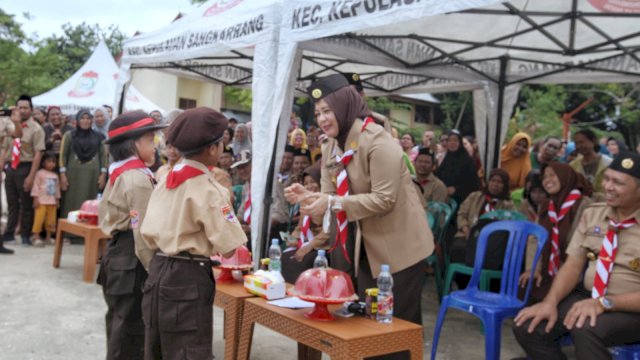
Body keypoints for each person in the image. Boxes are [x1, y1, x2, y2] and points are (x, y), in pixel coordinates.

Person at [286, 74, 434, 344]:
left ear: (345, 106)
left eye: (327, 111)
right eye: (318, 113)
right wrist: (309, 199)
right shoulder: (330, 145)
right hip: (363, 248)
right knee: (366, 327)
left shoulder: (378, 141)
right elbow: (330, 200)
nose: (322, 119)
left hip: (400, 250)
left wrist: (331, 202)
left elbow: (383, 199)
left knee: (395, 331)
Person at [140, 107, 246, 359]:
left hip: (158, 270)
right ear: (212, 148)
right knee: (189, 351)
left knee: (157, 349)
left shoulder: (165, 178)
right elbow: (230, 245)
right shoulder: (209, 188)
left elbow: (146, 233)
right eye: (222, 143)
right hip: (188, 276)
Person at [513, 152, 640, 360]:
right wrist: (550, 302)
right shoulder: (593, 214)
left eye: (618, 183)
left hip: (631, 309)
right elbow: (573, 264)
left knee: (586, 327)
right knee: (528, 325)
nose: (608, 186)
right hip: (588, 296)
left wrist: (605, 303)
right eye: (607, 179)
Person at [97, 110, 166, 360]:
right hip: (132, 258)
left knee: (120, 325)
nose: (155, 144)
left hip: (120, 256)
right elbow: (143, 233)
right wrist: (156, 272)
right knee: (130, 332)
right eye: (150, 139)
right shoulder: (136, 178)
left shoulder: (123, 171)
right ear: (134, 144)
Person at [519, 163, 593, 303]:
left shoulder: (584, 204)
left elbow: (583, 242)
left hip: (574, 270)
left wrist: (566, 265)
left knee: (559, 301)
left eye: (552, 175)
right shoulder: (546, 205)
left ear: (566, 177)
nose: (547, 180)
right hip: (548, 267)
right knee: (524, 288)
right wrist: (533, 268)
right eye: (544, 177)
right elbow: (535, 237)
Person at [3, 95, 46, 247]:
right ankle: (9, 234)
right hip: (11, 167)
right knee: (12, 203)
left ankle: (26, 235)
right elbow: (6, 147)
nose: (22, 110)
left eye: (25, 108)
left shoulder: (36, 129)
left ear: (31, 110)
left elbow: (38, 154)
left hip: (26, 167)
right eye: (19, 107)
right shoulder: (10, 126)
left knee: (27, 204)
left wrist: (31, 176)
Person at [449, 168, 515, 264]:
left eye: (499, 182)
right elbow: (462, 214)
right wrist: (466, 229)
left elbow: (511, 224)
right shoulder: (474, 196)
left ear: (505, 186)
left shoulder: (508, 205)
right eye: (492, 181)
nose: (495, 185)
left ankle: (481, 277)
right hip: (468, 234)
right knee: (459, 248)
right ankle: (461, 278)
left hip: (492, 241)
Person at [281, 164, 330, 283]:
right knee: (286, 257)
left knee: (305, 260)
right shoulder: (304, 201)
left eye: (313, 182)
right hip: (308, 243)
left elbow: (328, 231)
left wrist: (309, 247)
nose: (309, 186)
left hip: (324, 245)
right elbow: (300, 227)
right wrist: (292, 238)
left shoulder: (327, 200)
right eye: (306, 183)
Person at [59, 109, 107, 219]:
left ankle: (85, 233)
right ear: (77, 120)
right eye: (82, 118)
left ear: (91, 121)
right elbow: (63, 155)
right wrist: (62, 175)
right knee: (70, 202)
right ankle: (69, 233)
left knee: (89, 204)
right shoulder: (69, 135)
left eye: (88, 118)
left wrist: (103, 175)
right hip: (72, 176)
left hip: (92, 177)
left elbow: (104, 157)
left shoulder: (99, 137)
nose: (85, 121)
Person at [435, 129, 481, 206]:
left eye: (455, 140)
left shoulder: (467, 161)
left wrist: (456, 189)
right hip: (444, 201)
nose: (452, 143)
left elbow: (473, 184)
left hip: (462, 201)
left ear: (460, 143)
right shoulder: (446, 160)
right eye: (449, 141)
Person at [30, 151, 61, 247]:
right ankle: (36, 237)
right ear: (43, 162)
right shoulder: (39, 173)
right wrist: (35, 198)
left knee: (51, 220)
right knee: (39, 219)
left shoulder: (55, 176)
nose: (51, 164)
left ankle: (48, 237)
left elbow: (57, 188)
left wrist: (57, 200)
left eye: (53, 162)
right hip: (41, 201)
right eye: (49, 161)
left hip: (51, 202)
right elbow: (35, 186)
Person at [232, 150, 252, 238]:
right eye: (239, 168)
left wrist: (251, 228)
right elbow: (241, 212)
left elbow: (278, 215)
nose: (242, 171)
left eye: (245, 166)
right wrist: (233, 224)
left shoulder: (268, 185)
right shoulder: (246, 187)